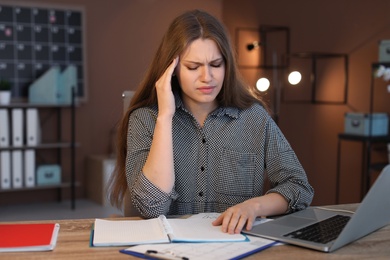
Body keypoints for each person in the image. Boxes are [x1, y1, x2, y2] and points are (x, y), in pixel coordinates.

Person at [108, 9, 314, 234]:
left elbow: (299, 187)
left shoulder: (254, 118)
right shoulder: (145, 119)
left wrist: (254, 206)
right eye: (193, 67)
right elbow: (151, 207)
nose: (207, 77)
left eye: (216, 64)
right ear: (172, 69)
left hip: (233, 247)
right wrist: (165, 117)